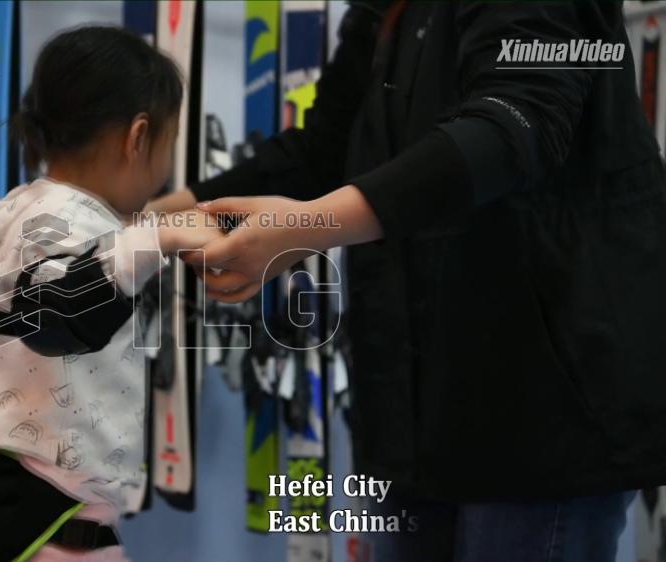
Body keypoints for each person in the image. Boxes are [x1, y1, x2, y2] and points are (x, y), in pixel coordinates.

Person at [151, 2, 666, 561]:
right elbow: (325, 148)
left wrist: (304, 226)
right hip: (410, 406)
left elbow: (513, 127)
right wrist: (160, 213)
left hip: (544, 408)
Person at [0, 26, 221, 562]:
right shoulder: (61, 219)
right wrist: (160, 237)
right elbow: (52, 310)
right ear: (138, 139)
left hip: (53, 510)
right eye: (169, 145)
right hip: (48, 523)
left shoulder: (28, 210)